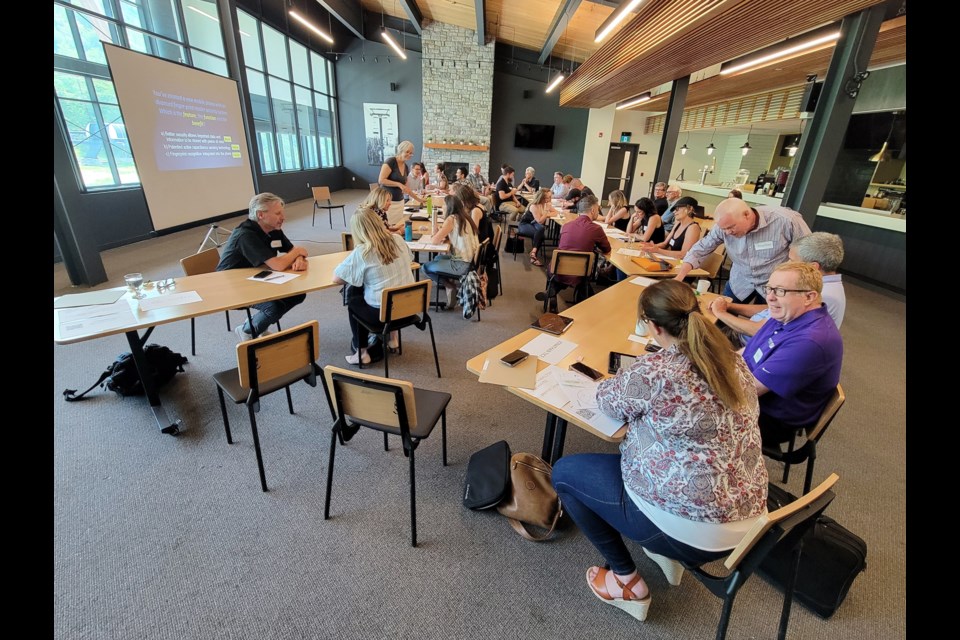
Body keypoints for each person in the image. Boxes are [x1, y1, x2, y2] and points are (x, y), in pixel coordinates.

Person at [552, 279, 767, 622]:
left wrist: (622, 378)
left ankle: (626, 580)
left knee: (564, 473)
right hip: (748, 526)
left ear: (652, 326)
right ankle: (662, 552)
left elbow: (606, 401)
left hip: (690, 528)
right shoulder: (731, 361)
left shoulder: (656, 371)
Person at [742, 262, 843, 449]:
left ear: (809, 297)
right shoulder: (785, 314)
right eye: (769, 288)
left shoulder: (811, 341)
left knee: (683, 412)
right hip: (756, 397)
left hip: (768, 418)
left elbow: (746, 391)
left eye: (780, 291)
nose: (770, 297)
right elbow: (746, 353)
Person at [710, 232, 846, 342]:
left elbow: (762, 330)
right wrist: (729, 306)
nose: (787, 263)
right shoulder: (820, 286)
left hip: (750, 343)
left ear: (813, 267)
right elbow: (769, 310)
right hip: (747, 337)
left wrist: (720, 313)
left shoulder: (821, 295)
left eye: (792, 260)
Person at [674, 197, 811, 304]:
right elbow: (701, 248)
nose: (727, 232)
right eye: (724, 229)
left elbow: (808, 254)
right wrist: (680, 276)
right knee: (722, 318)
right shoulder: (723, 226)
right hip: (740, 280)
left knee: (763, 325)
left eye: (731, 227)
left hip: (774, 284)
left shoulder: (786, 221)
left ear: (747, 214)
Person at [216, 193, 308, 341]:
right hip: (232, 286)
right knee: (273, 307)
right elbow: (278, 265)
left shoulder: (274, 229)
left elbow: (290, 250)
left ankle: (257, 324)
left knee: (298, 294)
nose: (283, 217)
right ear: (260, 215)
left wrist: (298, 258)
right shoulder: (245, 235)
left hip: (257, 278)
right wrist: (298, 252)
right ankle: (247, 330)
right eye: (278, 213)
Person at [332, 209, 415, 365]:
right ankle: (393, 339)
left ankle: (362, 353)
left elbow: (337, 278)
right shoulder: (398, 239)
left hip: (382, 315)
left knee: (352, 299)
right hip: (410, 309)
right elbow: (410, 259)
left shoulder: (363, 252)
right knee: (392, 287)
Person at [535, 195, 610, 311]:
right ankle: (580, 306)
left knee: (565, 271)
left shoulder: (566, 226)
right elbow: (607, 249)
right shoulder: (596, 229)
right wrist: (596, 248)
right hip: (581, 273)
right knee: (581, 276)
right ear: (593, 210)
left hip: (558, 269)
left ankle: (553, 290)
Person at [422, 194, 480, 308]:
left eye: (443, 205)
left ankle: (449, 286)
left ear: (449, 207)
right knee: (438, 258)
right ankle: (451, 285)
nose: (442, 207)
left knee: (425, 267)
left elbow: (434, 241)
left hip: (462, 264)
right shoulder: (465, 217)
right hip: (471, 262)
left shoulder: (451, 219)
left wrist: (436, 229)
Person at [519, 188, 554, 267]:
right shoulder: (534, 206)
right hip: (525, 224)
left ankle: (533, 253)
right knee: (541, 233)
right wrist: (546, 211)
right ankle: (533, 256)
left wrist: (546, 214)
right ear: (541, 198)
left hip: (534, 224)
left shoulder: (546, 204)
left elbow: (555, 212)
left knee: (541, 229)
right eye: (547, 197)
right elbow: (540, 221)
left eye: (550, 197)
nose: (549, 199)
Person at [452, 182, 493, 247]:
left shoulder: (475, 211)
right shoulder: (475, 205)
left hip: (479, 247)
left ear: (464, 199)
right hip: (479, 242)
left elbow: (473, 233)